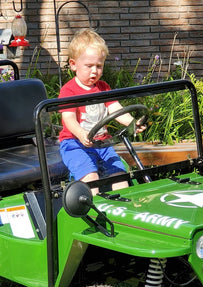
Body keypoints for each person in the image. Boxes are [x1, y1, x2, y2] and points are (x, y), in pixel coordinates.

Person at [58, 29, 146, 194]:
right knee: (91, 177)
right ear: (73, 65)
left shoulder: (103, 87)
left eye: (99, 66)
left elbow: (116, 109)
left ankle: (123, 208)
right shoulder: (68, 91)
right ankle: (95, 209)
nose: (94, 71)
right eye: (89, 66)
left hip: (103, 144)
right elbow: (69, 119)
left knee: (120, 174)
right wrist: (81, 133)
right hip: (75, 144)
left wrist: (132, 123)